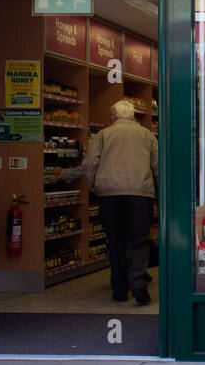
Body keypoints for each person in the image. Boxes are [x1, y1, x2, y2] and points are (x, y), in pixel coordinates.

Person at [61, 99, 159, 304]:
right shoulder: (147, 135)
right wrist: (158, 193)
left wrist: (93, 187)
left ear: (114, 116)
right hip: (140, 195)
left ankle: (120, 289)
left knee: (115, 242)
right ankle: (139, 284)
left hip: (110, 196)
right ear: (133, 116)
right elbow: (157, 166)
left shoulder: (103, 135)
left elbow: (90, 165)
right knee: (139, 241)